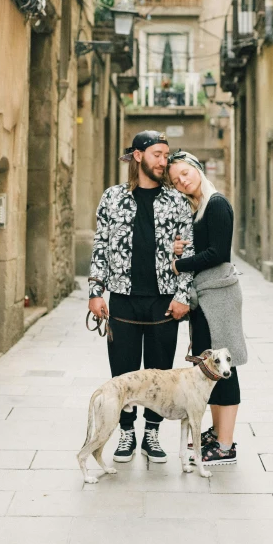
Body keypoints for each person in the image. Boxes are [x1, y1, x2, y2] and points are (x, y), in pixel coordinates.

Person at [88, 131, 195, 464]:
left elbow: (188, 250)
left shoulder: (176, 200)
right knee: (123, 372)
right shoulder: (112, 198)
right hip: (122, 299)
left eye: (166, 155)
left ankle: (152, 433)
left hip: (164, 300)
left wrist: (183, 296)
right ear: (138, 156)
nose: (164, 161)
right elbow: (100, 246)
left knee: (160, 374)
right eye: (158, 155)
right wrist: (95, 292)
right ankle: (126, 433)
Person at [168, 149, 247, 466]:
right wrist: (181, 246)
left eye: (184, 173)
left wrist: (179, 263)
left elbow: (217, 253)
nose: (181, 181)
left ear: (197, 168)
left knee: (224, 368)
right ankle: (217, 432)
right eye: (175, 181)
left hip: (219, 298)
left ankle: (225, 446)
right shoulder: (197, 209)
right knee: (209, 367)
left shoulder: (216, 204)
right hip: (206, 296)